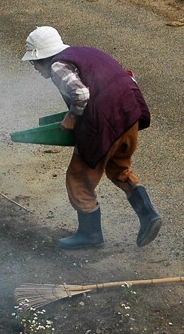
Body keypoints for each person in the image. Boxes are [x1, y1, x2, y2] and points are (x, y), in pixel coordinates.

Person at [21, 26, 162, 249]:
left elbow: (81, 94)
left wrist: (72, 117)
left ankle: (90, 235)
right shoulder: (86, 53)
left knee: (78, 179)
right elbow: (128, 77)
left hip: (104, 125)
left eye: (34, 62)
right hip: (129, 116)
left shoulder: (58, 65)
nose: (35, 68)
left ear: (43, 58)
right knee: (118, 168)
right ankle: (149, 215)